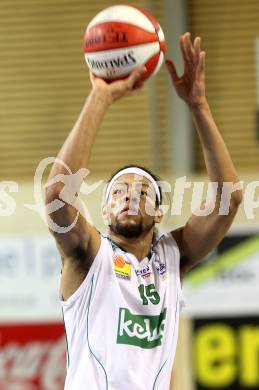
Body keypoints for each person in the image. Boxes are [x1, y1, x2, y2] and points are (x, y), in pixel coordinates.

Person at [45, 32, 242, 390]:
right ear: (104, 211)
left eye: (143, 192)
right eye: (119, 191)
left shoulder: (172, 257)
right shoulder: (88, 256)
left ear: (159, 213)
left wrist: (199, 107)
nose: (130, 196)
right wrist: (100, 96)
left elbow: (229, 197)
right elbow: (58, 193)